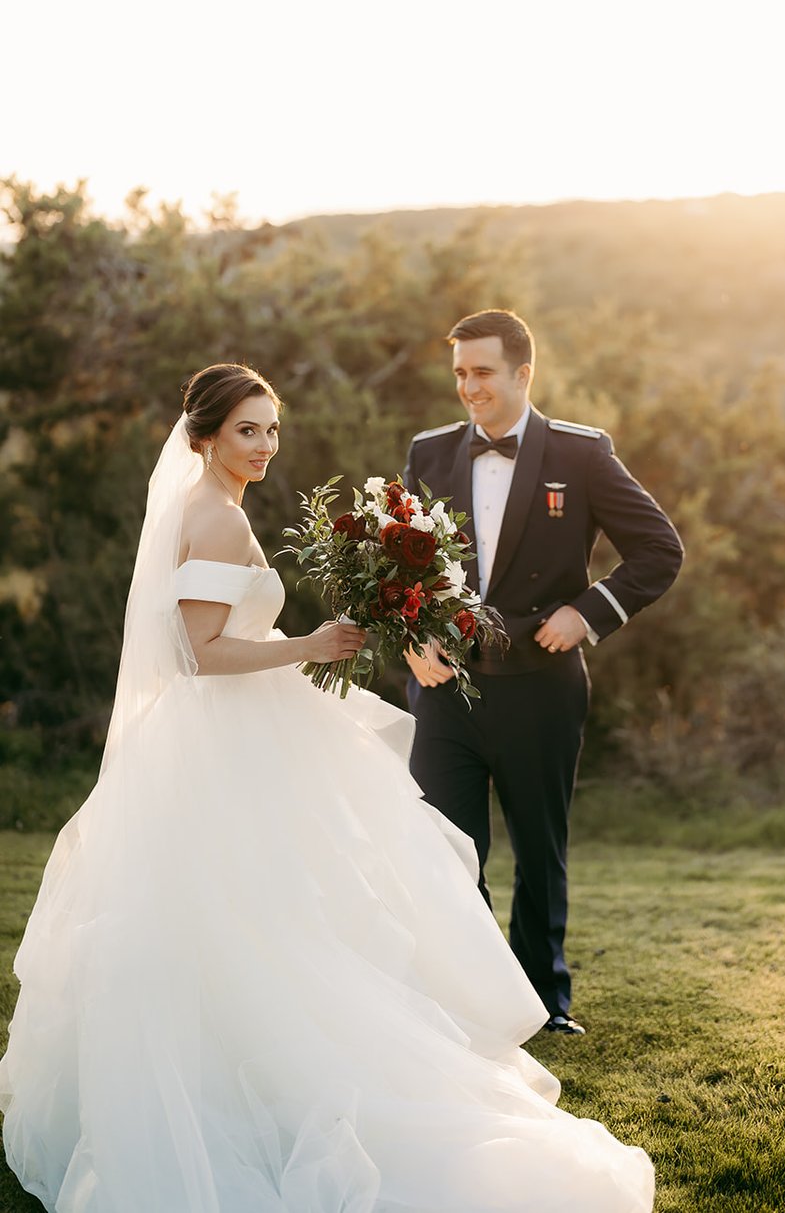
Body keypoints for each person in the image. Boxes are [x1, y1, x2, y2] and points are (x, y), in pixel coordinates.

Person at [0, 362, 655, 1213]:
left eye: (272, 428)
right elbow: (203, 653)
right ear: (203, 435)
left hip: (235, 731)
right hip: (224, 738)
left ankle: (248, 1070)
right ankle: (264, 1080)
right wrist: (306, 646)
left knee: (262, 914)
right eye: (247, 429)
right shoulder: (213, 516)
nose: (265, 445)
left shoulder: (215, 509)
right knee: (271, 914)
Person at [404, 311, 684, 1036]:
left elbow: (659, 549)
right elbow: (399, 569)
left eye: (484, 372)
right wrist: (410, 639)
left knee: (539, 848)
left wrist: (589, 612)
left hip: (541, 686)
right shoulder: (429, 454)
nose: (469, 387)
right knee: (447, 849)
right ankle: (462, 1001)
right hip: (445, 690)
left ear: (524, 373)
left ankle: (542, 1005)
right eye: (460, 372)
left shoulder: (582, 454)